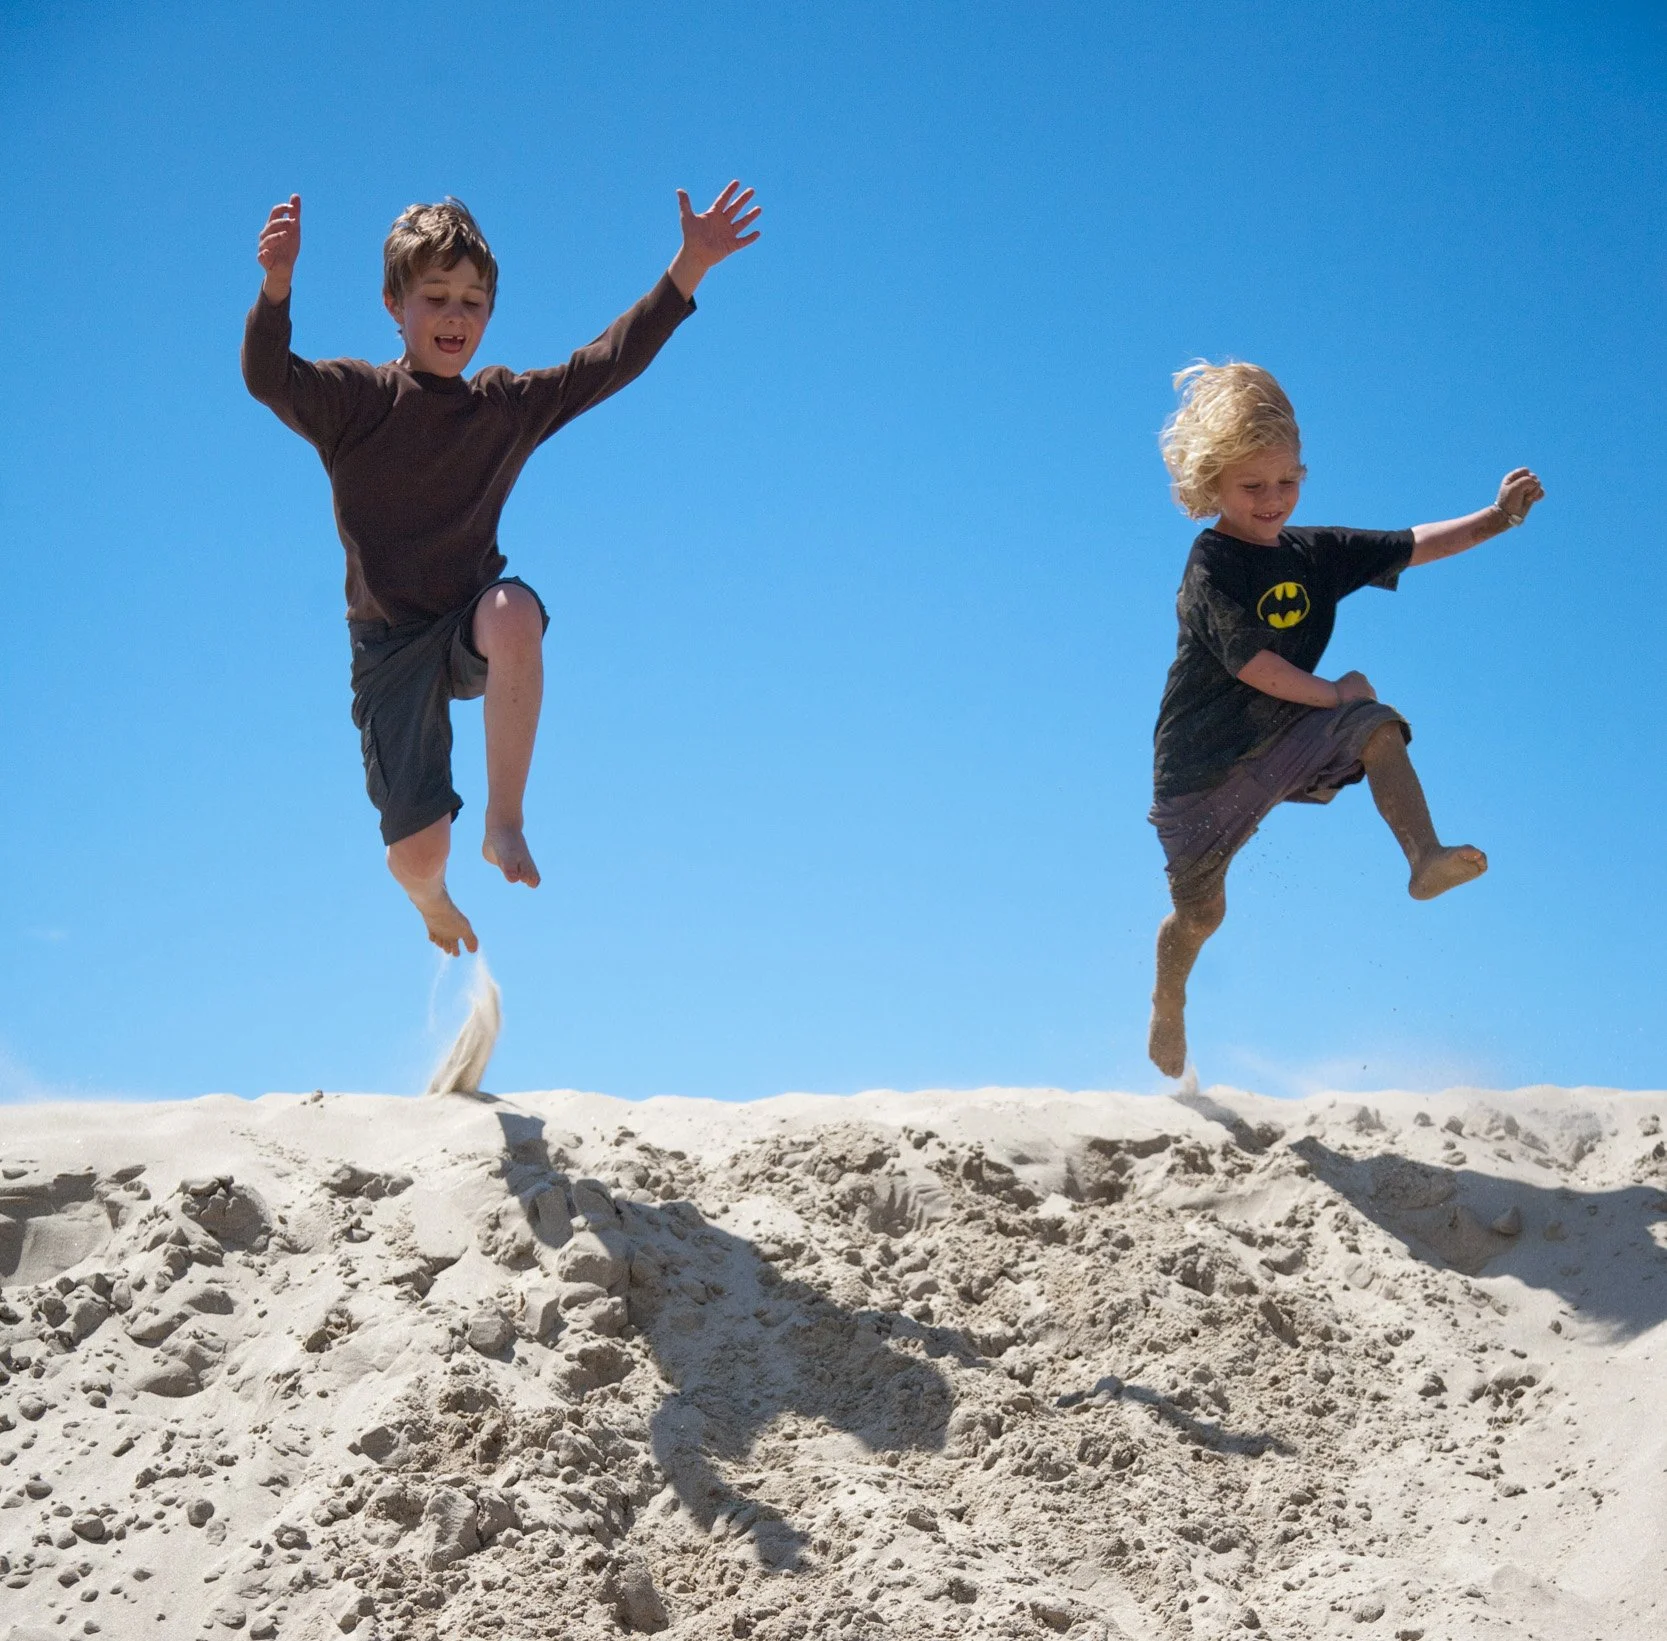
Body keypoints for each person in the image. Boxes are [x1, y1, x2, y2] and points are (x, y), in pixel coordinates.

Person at [242, 184, 760, 954]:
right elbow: (268, 377)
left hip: (466, 625)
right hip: (387, 649)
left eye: (473, 302)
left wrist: (689, 266)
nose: (455, 316)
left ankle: (504, 820)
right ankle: (429, 895)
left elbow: (603, 364)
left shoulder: (502, 407)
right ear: (394, 304)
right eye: (436, 297)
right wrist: (276, 288)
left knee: (515, 609)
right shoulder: (357, 399)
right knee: (418, 853)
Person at [1146, 362, 1544, 1077]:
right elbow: (1252, 665)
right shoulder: (1212, 561)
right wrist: (1332, 692)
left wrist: (1496, 518)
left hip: (1287, 741)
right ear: (1212, 485)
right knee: (1202, 915)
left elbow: (1412, 543)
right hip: (1200, 770)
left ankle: (1423, 857)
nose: (1272, 500)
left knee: (1375, 722)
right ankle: (1168, 998)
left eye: (1286, 482)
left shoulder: (1314, 554)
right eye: (1251, 486)